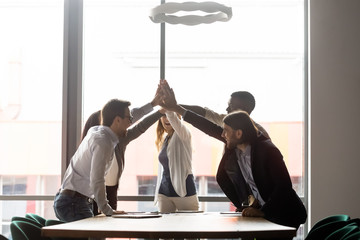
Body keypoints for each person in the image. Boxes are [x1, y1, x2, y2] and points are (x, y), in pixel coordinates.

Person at [158, 80, 307, 229]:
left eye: (226, 132)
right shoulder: (235, 138)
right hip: (259, 209)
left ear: (239, 133)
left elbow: (283, 187)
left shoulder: (266, 148)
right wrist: (175, 107)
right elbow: (208, 126)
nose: (223, 135)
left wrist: (263, 211)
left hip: (282, 214)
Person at [54, 98, 163, 222]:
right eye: (129, 119)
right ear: (117, 120)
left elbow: (133, 116)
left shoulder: (97, 131)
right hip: (73, 203)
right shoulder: (103, 142)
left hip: (71, 200)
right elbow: (97, 179)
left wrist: (153, 104)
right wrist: (107, 209)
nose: (130, 122)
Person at [81, 95, 162, 214]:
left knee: (108, 227)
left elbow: (135, 122)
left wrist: (157, 109)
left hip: (111, 190)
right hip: (91, 191)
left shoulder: (120, 138)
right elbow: (96, 181)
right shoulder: (96, 140)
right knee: (93, 226)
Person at [154, 111, 199, 213]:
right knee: (164, 228)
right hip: (164, 192)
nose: (167, 119)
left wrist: (167, 104)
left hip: (184, 191)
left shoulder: (183, 133)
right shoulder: (165, 139)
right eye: (163, 115)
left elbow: (172, 117)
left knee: (189, 228)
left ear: (177, 118)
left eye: (169, 115)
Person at [181, 91, 270, 138]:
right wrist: (173, 106)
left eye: (231, 107)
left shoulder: (261, 135)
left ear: (245, 111)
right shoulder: (227, 121)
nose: (226, 109)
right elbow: (203, 113)